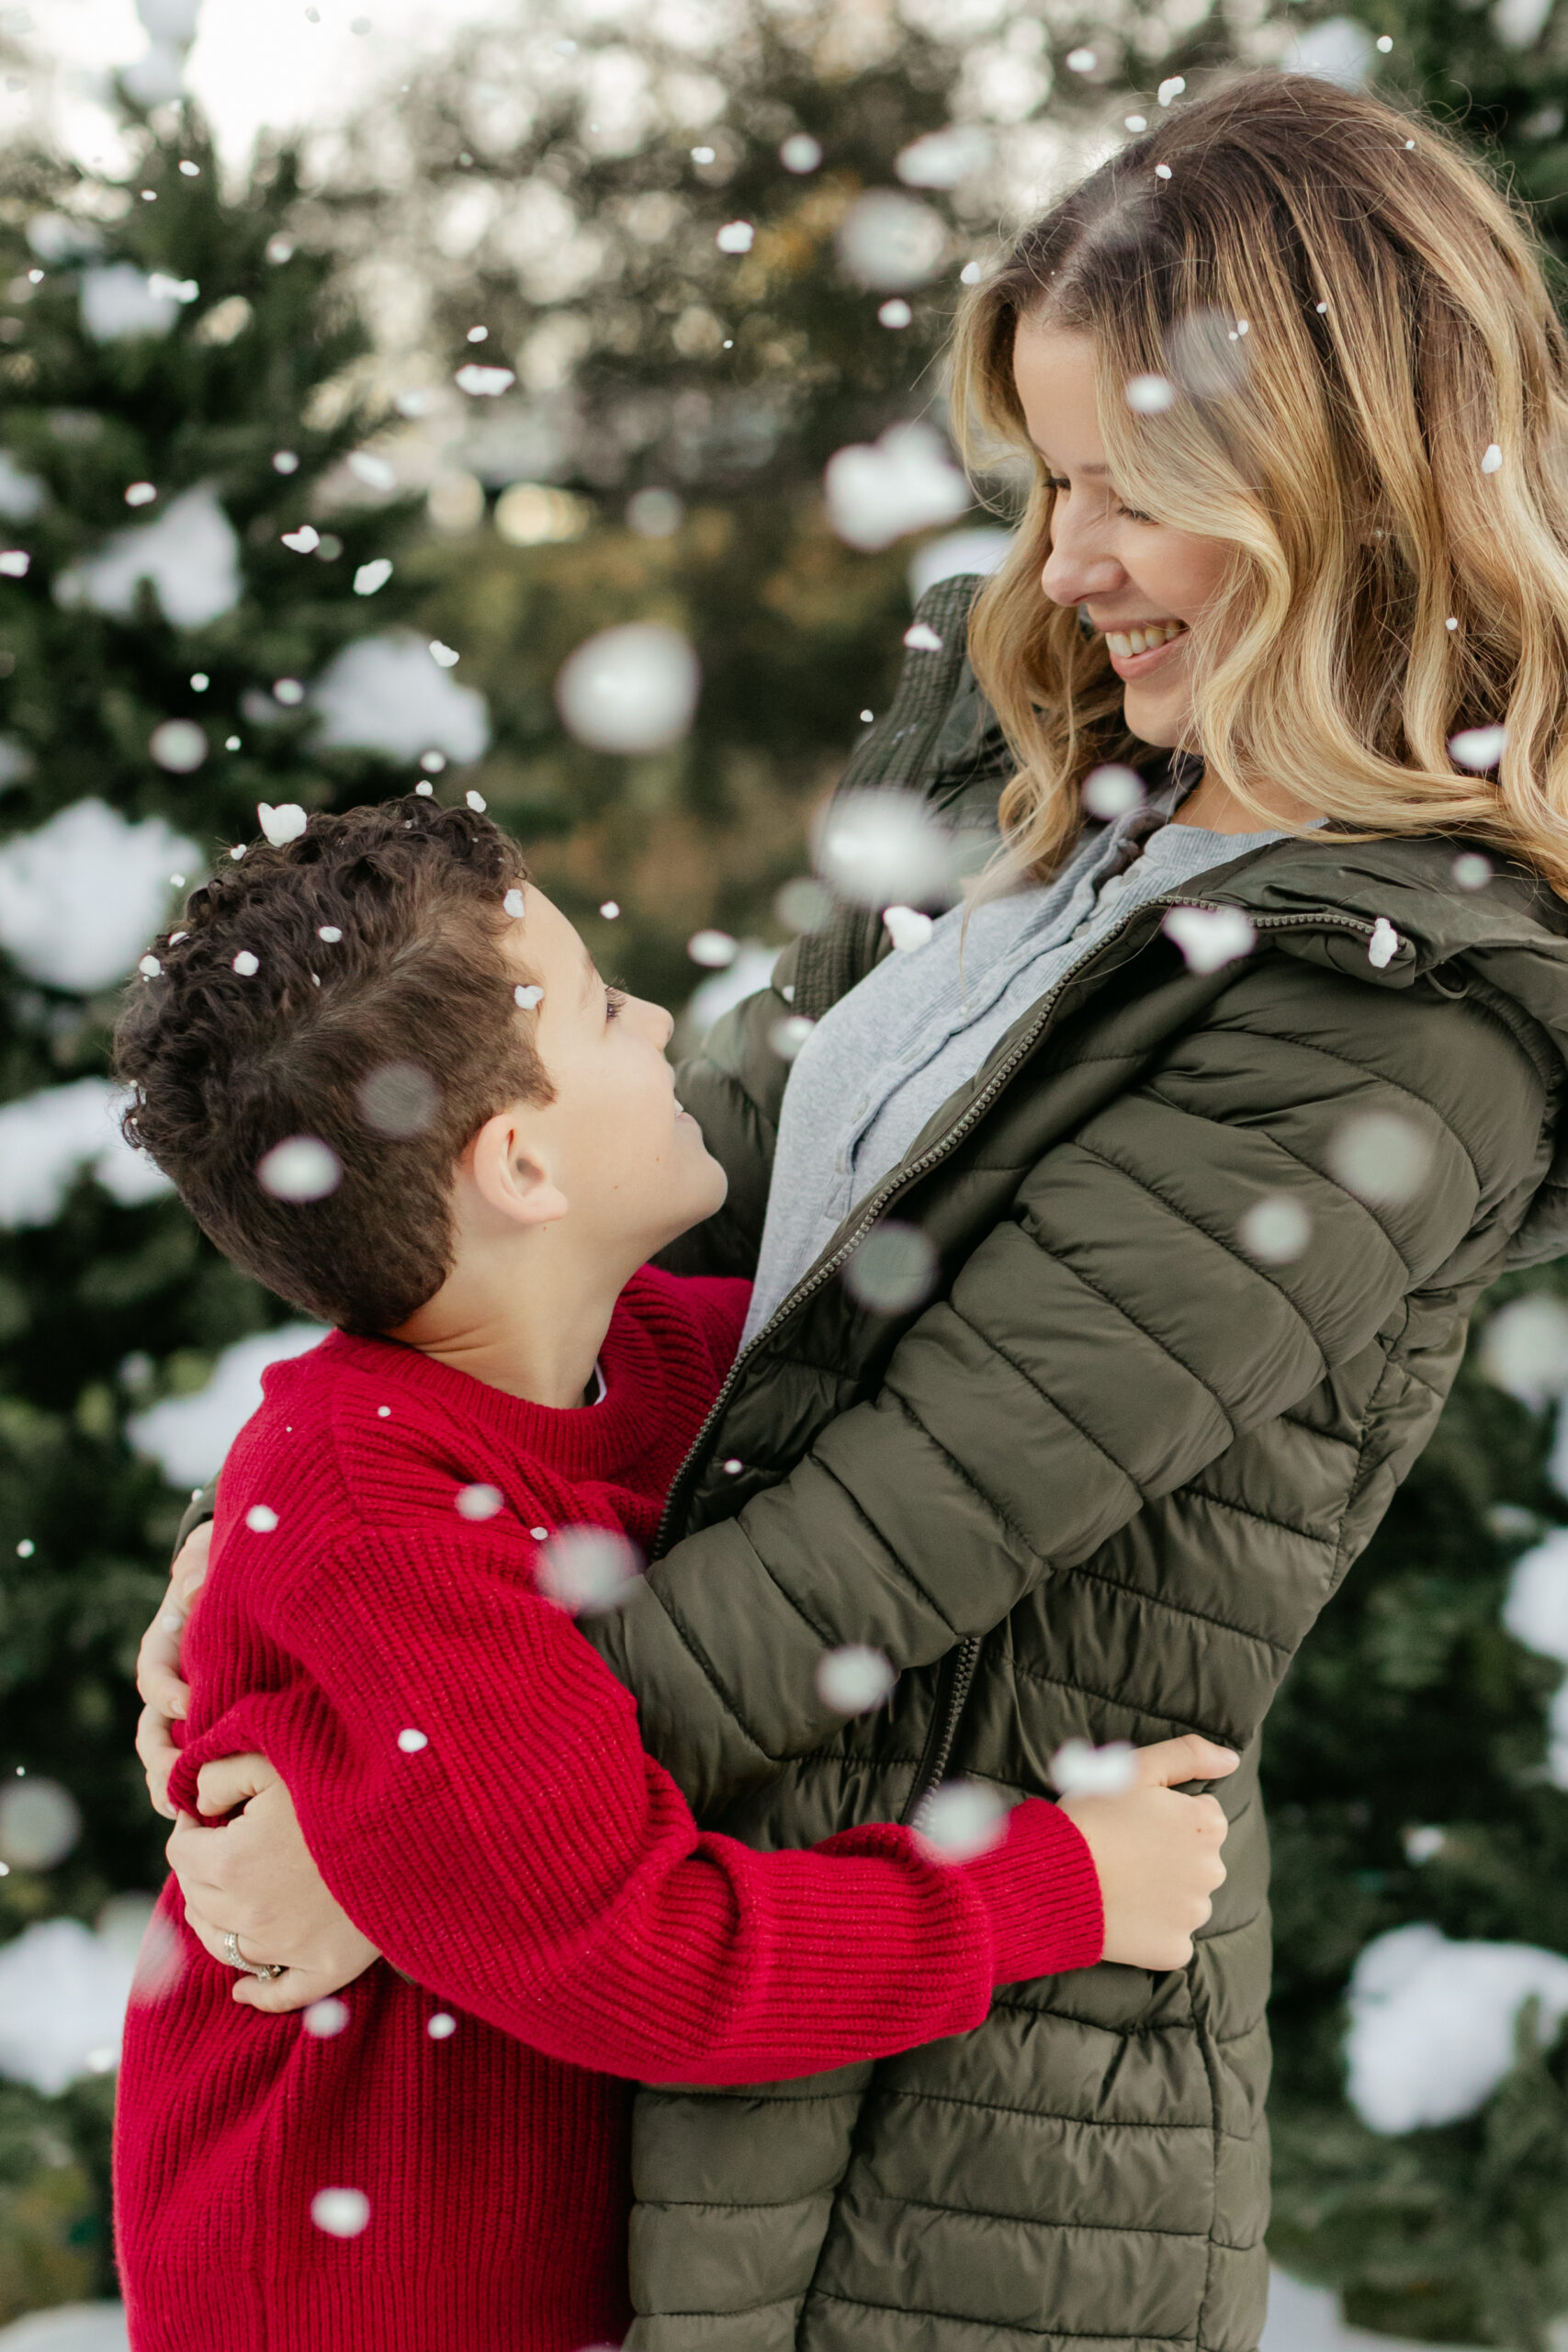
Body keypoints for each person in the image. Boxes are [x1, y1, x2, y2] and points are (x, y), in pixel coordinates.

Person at [134, 64, 1568, 2352]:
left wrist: (387, 1804)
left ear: (1333, 480)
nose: (1066, 558)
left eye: (1134, 488)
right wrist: (277, 1579)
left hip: (958, 2083)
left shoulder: (1404, 1012)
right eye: (1050, 480)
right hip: (685, 1937)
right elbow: (649, 1230)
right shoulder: (1024, 774)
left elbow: (875, 1545)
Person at [110, 797, 1236, 2352]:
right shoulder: (374, 1513)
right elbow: (655, 1963)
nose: (654, 1021)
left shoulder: (653, 1364)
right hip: (365, 2302)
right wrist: (1057, 1889)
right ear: (520, 1164)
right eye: (598, 1005)